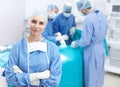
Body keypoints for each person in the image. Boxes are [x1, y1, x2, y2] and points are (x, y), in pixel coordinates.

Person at [4, 11, 62, 87]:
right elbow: (10, 78)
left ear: (45, 26)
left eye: (41, 23)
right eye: (34, 21)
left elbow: (54, 82)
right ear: (28, 23)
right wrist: (35, 77)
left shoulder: (53, 49)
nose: (36, 26)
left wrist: (23, 77)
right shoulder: (17, 47)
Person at [71, 0, 108, 87]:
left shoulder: (88, 19)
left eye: (80, 10)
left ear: (84, 9)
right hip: (101, 48)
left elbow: (86, 41)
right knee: (99, 72)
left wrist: (76, 43)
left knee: (91, 75)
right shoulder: (102, 15)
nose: (80, 12)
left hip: (92, 51)